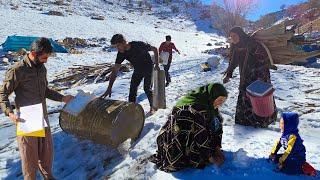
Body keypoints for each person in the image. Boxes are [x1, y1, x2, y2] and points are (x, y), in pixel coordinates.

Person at [0, 38, 74, 180]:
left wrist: (63, 98)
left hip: (42, 117)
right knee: (30, 160)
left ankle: (48, 177)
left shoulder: (41, 68)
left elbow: (45, 90)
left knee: (47, 155)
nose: (46, 60)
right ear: (33, 53)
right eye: (44, 57)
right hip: (27, 120)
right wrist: (10, 113)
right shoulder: (17, 70)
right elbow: (2, 93)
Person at [150, 83, 228, 172]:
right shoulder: (196, 107)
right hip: (179, 139)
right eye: (220, 100)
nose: (220, 104)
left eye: (223, 101)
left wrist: (217, 148)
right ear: (212, 96)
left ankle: (204, 152)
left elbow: (217, 128)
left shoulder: (209, 105)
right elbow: (200, 133)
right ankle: (191, 155)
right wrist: (210, 158)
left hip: (195, 136)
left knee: (217, 120)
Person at [223, 26, 277, 128]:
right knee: (245, 97)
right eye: (231, 36)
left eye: (234, 35)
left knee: (260, 98)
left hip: (258, 76)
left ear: (240, 34)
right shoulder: (236, 47)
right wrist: (228, 75)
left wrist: (258, 72)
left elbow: (264, 58)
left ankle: (262, 121)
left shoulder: (252, 44)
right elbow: (233, 62)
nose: (233, 38)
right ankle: (244, 121)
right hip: (245, 77)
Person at [101, 34, 159, 113]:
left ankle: (153, 107)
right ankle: (131, 110)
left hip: (148, 67)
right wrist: (109, 87)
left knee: (147, 88)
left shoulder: (138, 45)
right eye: (115, 47)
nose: (117, 48)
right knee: (132, 90)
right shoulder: (121, 53)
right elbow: (115, 70)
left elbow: (155, 49)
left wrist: (157, 65)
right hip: (138, 69)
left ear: (124, 42)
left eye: (118, 46)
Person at [269, 112, 316, 176]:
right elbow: (278, 143)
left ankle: (303, 166)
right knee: (275, 159)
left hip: (297, 157)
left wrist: (282, 161)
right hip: (290, 155)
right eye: (280, 123)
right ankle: (286, 164)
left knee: (289, 170)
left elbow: (289, 150)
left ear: (289, 125)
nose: (280, 125)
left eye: (282, 124)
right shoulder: (285, 134)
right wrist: (273, 153)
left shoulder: (293, 137)